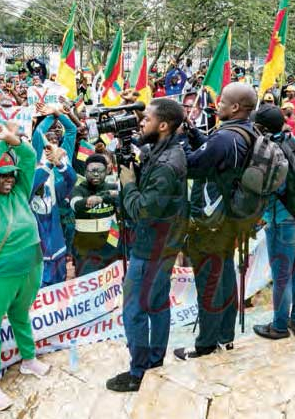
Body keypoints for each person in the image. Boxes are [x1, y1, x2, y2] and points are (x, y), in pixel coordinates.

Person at [106, 98, 187, 392]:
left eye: (147, 119)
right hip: (164, 243)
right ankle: (154, 361)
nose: (141, 122)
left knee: (136, 309)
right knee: (156, 304)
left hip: (151, 246)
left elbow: (142, 209)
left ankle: (139, 371)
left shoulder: (167, 164)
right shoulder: (167, 151)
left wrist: (127, 182)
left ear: (163, 125)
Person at [174, 82, 260, 360]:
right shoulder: (245, 131)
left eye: (222, 101)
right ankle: (226, 336)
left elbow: (191, 165)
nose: (217, 104)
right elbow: (212, 153)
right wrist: (193, 132)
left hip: (211, 223)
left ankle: (205, 344)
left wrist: (180, 139)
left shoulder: (225, 138)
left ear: (235, 107)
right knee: (223, 277)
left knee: (209, 284)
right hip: (230, 219)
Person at [0, 123, 49, 411]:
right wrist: (1, 145)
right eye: (2, 175)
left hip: (31, 265)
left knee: (21, 315)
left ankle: (28, 359)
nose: (8, 180)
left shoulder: (19, 191)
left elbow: (28, 159)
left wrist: (13, 140)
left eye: (11, 175)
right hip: (1, 272)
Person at [251, 105, 295, 339]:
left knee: (282, 277)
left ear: (262, 127)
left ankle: (278, 326)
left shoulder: (269, 150)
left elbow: (269, 187)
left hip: (283, 219)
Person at [32, 145, 77, 286]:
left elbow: (72, 179)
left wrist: (58, 163)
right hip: (37, 261)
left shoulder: (52, 191)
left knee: (58, 301)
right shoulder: (23, 198)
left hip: (58, 255)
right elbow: (36, 181)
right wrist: (49, 163)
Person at [70, 154, 121, 276]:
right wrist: (90, 201)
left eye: (100, 171)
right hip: (86, 250)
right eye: (92, 171)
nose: (96, 174)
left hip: (110, 246)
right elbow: (76, 205)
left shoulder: (113, 188)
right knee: (87, 288)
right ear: (85, 171)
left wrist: (106, 196)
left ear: (107, 171)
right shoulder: (78, 190)